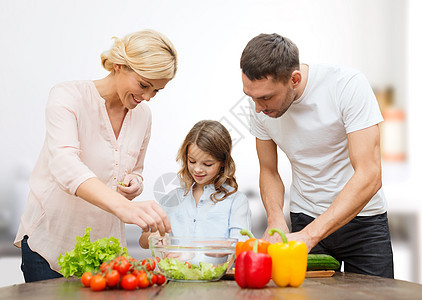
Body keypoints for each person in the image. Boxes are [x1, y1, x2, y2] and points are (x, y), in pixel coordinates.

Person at [14, 29, 178, 282]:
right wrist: (124, 207)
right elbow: (65, 165)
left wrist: (135, 182)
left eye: (156, 91)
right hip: (52, 243)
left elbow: (135, 169)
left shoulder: (142, 115)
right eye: (144, 85)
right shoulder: (68, 96)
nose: (147, 97)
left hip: (105, 249)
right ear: (118, 65)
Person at [240, 33, 393, 278]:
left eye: (266, 97)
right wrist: (275, 218)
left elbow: (370, 174)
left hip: (363, 221)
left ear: (295, 79)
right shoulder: (260, 106)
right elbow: (269, 170)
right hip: (304, 215)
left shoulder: (347, 85)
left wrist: (311, 235)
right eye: (251, 97)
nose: (257, 107)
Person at [139, 120, 251, 249]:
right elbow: (143, 240)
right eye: (192, 161)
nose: (197, 169)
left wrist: (223, 247)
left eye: (207, 164)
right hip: (177, 269)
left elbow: (243, 246)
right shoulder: (173, 198)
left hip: (221, 270)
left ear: (223, 162)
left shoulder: (236, 201)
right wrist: (153, 237)